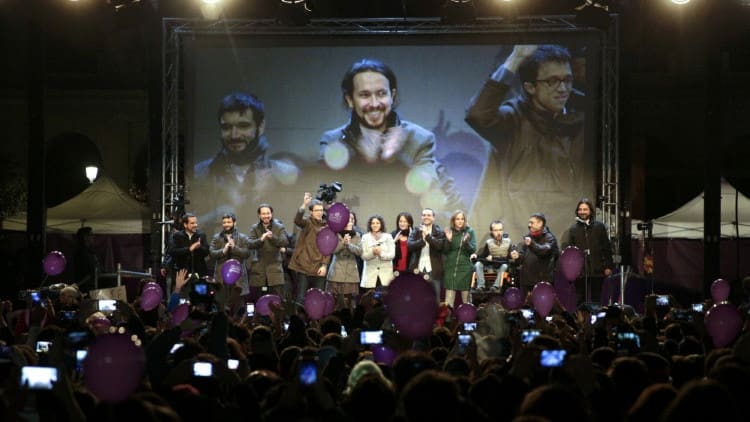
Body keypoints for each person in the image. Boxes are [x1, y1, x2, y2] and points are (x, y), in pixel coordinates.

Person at [317, 58, 463, 220]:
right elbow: (327, 203)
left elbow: (429, 202)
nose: (374, 103)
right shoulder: (333, 142)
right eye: (365, 95)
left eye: (381, 94)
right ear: (349, 99)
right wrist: (366, 162)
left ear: (392, 96)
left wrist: (395, 160)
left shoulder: (420, 139)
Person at [465, 44, 585, 240]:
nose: (563, 88)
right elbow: (477, 115)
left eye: (567, 80)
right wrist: (516, 58)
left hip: (562, 238)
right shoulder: (513, 119)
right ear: (530, 87)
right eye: (552, 81)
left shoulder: (580, 123)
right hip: (513, 238)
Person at [193, 92, 299, 233]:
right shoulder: (200, 173)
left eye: (243, 126)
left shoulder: (285, 174)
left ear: (260, 126)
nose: (234, 135)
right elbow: (189, 226)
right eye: (226, 127)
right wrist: (218, 214)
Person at [562, 198, 614, 304]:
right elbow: (571, 252)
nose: (582, 212)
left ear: (590, 211)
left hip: (597, 270)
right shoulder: (573, 229)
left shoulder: (599, 227)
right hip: (580, 272)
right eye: (580, 209)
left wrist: (608, 266)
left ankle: (595, 315)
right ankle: (581, 315)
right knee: (580, 299)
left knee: (596, 298)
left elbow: (606, 248)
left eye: (585, 209)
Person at [288, 193, 331, 305]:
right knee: (300, 297)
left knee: (318, 297)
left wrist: (324, 265)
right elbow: (297, 220)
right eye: (316, 210)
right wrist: (304, 204)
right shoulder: (307, 222)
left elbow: (329, 248)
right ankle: (299, 316)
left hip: (319, 266)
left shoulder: (327, 226)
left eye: (321, 210)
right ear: (311, 212)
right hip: (304, 265)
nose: (319, 212)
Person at [510, 212, 559, 293]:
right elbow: (522, 256)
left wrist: (531, 244)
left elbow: (543, 251)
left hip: (543, 281)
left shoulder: (550, 238)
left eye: (532, 223)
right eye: (529, 222)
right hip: (528, 281)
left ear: (540, 223)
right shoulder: (528, 237)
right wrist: (517, 256)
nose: (529, 225)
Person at [247, 204, 290, 297]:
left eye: (268, 213)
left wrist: (272, 237)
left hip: (275, 268)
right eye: (263, 214)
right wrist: (260, 240)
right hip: (259, 268)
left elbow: (285, 241)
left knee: (277, 298)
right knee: (260, 298)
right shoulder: (255, 228)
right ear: (259, 215)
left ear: (271, 214)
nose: (266, 216)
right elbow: (249, 244)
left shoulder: (279, 227)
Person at [407, 208, 448, 303]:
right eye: (424, 215)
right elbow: (410, 245)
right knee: (416, 298)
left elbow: (439, 246)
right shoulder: (416, 230)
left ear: (433, 217)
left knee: (435, 299)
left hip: (434, 270)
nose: (426, 217)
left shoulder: (439, 232)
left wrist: (428, 236)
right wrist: (422, 240)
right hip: (417, 269)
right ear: (421, 217)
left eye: (429, 215)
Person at [209, 212, 251, 299]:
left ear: (234, 223)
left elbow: (247, 253)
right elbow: (212, 253)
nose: (226, 224)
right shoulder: (217, 237)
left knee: (238, 302)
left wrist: (234, 248)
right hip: (221, 276)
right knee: (221, 302)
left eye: (229, 222)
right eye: (224, 222)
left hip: (238, 276)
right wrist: (223, 251)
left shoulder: (243, 237)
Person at [326, 213, 362, 311]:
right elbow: (332, 250)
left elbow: (359, 251)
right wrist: (343, 243)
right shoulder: (335, 233)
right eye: (347, 219)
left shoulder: (357, 235)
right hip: (336, 271)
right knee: (334, 301)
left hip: (351, 273)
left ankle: (348, 319)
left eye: (352, 219)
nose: (350, 221)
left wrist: (349, 244)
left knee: (349, 303)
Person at [442, 210, 476, 308]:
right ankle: (449, 316)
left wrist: (466, 242)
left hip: (465, 268)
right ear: (453, 220)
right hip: (451, 267)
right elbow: (445, 251)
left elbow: (473, 249)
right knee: (449, 300)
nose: (460, 221)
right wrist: (449, 240)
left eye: (462, 219)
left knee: (466, 300)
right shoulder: (449, 231)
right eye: (457, 219)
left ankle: (468, 316)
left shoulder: (470, 231)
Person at [470, 220, 514, 291]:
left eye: (500, 230)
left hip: (502, 266)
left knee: (505, 266)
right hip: (492, 266)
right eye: (496, 230)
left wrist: (493, 258)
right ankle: (481, 286)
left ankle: (496, 286)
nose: (498, 233)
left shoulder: (508, 242)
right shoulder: (489, 242)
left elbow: (509, 259)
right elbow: (482, 255)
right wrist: (475, 256)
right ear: (491, 232)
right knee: (478, 264)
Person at [360, 215, 395, 291]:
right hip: (370, 275)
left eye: (377, 223)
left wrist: (381, 253)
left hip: (385, 275)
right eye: (373, 223)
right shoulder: (365, 237)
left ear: (381, 224)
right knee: (370, 297)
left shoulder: (388, 236)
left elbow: (392, 255)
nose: (375, 225)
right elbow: (363, 256)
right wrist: (372, 253)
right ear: (370, 225)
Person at [169, 213, 210, 278]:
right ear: (185, 225)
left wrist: (199, 247)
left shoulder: (201, 234)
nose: (195, 225)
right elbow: (173, 252)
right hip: (183, 274)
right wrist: (189, 249)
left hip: (200, 273)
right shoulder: (178, 236)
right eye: (192, 223)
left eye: (196, 223)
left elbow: (207, 252)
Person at [73, 226, 100, 291]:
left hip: (88, 286)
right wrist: (77, 285)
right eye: (91, 234)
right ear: (85, 237)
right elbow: (91, 272)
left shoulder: (88, 252)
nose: (94, 237)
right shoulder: (82, 253)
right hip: (85, 288)